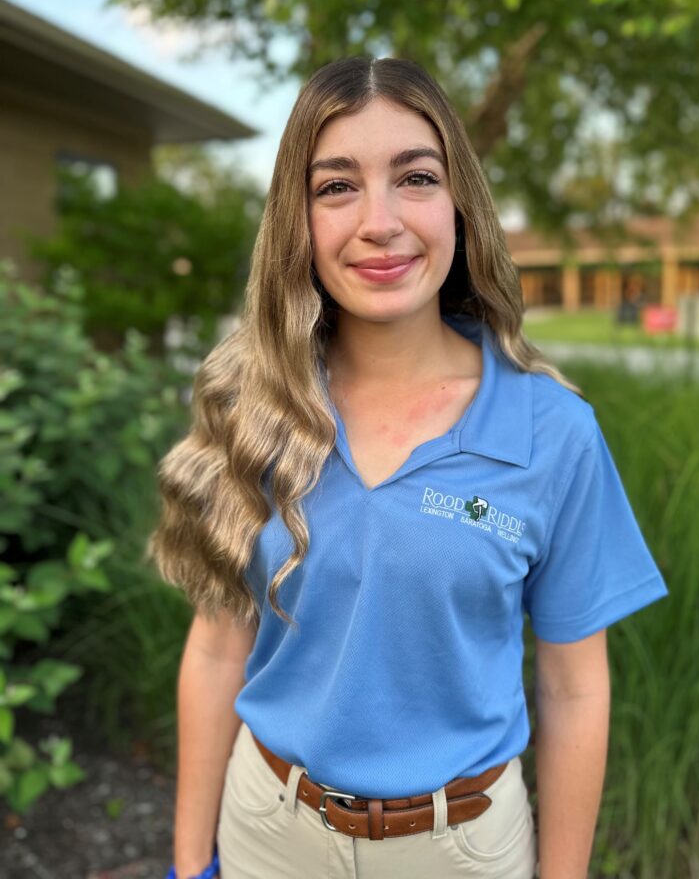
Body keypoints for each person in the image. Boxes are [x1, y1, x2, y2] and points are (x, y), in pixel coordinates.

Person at [149, 56, 668, 879]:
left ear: (460, 204)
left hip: (460, 849)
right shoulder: (254, 409)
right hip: (266, 831)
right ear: (298, 218)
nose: (379, 222)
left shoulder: (554, 432)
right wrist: (188, 865)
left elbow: (574, 691)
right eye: (336, 187)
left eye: (415, 178)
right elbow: (217, 649)